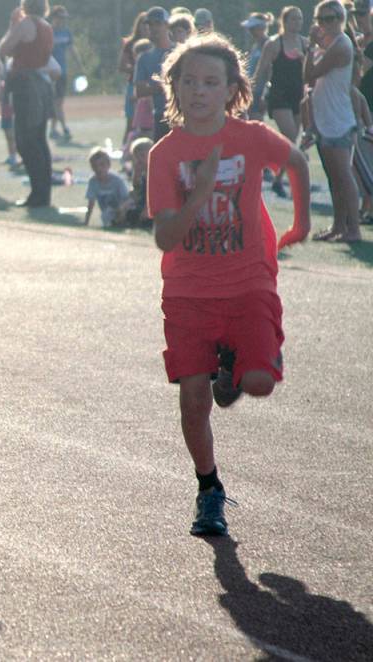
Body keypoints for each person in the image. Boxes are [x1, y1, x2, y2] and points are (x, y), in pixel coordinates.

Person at [148, 33, 311, 537]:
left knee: (259, 384)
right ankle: (208, 489)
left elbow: (299, 163)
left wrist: (300, 224)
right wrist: (198, 194)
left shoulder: (252, 137)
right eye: (189, 81)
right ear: (174, 86)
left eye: (210, 82)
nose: (199, 91)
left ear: (230, 89)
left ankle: (236, 369)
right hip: (188, 292)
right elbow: (164, 236)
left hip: (247, 284)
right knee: (193, 400)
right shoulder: (165, 154)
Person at [306, 0, 364, 243]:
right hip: (327, 119)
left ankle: (353, 230)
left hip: (338, 121)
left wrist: (310, 47)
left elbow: (309, 74)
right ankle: (339, 226)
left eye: (331, 19)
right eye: (322, 19)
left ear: (340, 19)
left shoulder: (341, 45)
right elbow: (310, 82)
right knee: (334, 178)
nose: (326, 24)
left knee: (343, 176)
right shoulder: (329, 45)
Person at [0, 0, 54, 208]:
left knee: (25, 141)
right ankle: (43, 193)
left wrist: (13, 25)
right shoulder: (46, 26)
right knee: (40, 140)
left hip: (26, 85)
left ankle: (37, 194)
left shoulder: (26, 24)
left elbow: (4, 48)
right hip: (42, 83)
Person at [255, 6, 309, 199]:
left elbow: (311, 73)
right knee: (291, 135)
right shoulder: (274, 43)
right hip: (278, 96)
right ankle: (274, 169)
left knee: (292, 142)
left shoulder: (305, 44)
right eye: (293, 19)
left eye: (300, 19)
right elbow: (261, 71)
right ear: (284, 21)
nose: (297, 23)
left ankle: (278, 179)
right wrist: (256, 95)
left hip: (298, 97)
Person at [135, 6, 175, 142]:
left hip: (184, 114)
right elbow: (139, 91)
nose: (153, 28)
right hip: (160, 116)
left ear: (167, 25)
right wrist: (163, 86)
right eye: (150, 24)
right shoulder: (144, 58)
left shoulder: (180, 51)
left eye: (157, 23)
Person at [48, 5, 82, 141]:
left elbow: (71, 49)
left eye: (64, 18)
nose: (63, 21)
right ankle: (64, 128)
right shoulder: (48, 31)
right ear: (54, 18)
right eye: (60, 18)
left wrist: (79, 65)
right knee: (55, 102)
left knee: (58, 102)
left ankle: (52, 129)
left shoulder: (66, 32)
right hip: (50, 72)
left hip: (62, 71)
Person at [119, 12, 149, 145]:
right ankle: (125, 150)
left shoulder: (155, 43)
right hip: (134, 85)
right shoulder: (130, 43)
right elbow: (121, 66)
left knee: (148, 123)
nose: (146, 27)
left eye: (149, 25)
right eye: (143, 24)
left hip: (150, 88)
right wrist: (139, 69)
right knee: (131, 122)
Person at [84, 147, 128, 227]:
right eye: (95, 166)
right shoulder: (93, 181)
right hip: (107, 213)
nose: (98, 169)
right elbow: (91, 203)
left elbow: (126, 199)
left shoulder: (117, 181)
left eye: (102, 165)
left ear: (108, 165)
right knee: (106, 215)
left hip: (121, 210)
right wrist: (86, 222)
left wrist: (121, 210)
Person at [242, 13, 273, 121]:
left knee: (256, 119)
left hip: (260, 91)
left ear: (262, 28)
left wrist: (265, 93)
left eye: (253, 28)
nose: (250, 32)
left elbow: (270, 70)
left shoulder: (269, 45)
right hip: (253, 89)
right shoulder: (256, 45)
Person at [122, 136, 153, 228]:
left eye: (142, 155)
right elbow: (136, 188)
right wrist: (136, 173)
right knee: (128, 211)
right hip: (142, 203)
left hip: (152, 205)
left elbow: (153, 193)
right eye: (136, 156)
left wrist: (146, 209)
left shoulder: (154, 172)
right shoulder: (142, 171)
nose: (139, 159)